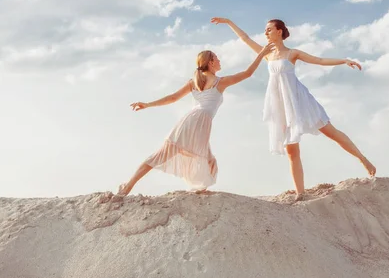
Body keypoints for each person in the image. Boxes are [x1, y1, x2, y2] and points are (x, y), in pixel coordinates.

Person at [211, 17, 376, 201]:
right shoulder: (266, 54)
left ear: (279, 31)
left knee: (331, 132)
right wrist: (229, 22)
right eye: (265, 30)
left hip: (300, 100)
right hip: (281, 105)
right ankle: (300, 193)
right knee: (291, 150)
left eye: (269, 29)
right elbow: (245, 38)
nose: (265, 33)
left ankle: (363, 159)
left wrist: (344, 61)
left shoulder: (292, 53)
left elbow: (319, 60)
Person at [117, 43, 275, 196]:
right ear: (211, 62)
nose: (220, 61)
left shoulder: (196, 82)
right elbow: (247, 73)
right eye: (217, 58)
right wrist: (261, 53)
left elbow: (173, 98)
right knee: (174, 156)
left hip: (194, 121)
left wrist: (148, 104)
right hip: (198, 121)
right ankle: (128, 185)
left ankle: (198, 189)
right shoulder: (220, 82)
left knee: (205, 160)